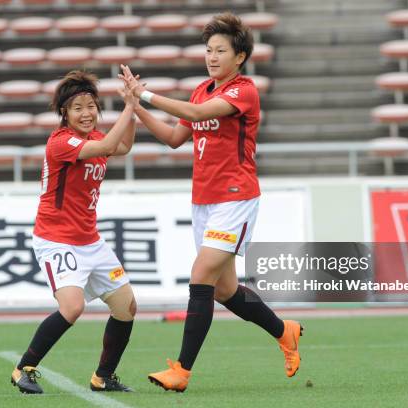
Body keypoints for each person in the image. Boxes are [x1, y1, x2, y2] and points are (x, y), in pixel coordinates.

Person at [119, 12, 302, 392]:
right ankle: (284, 331)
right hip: (203, 201)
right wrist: (136, 108)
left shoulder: (243, 91)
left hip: (236, 199)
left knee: (200, 278)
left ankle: (181, 371)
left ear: (240, 57)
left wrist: (147, 94)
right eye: (208, 50)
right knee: (224, 291)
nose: (212, 56)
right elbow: (174, 137)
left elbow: (199, 115)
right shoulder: (201, 89)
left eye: (221, 50)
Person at [9, 70, 138, 394]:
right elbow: (112, 142)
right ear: (64, 113)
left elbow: (122, 145)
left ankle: (103, 376)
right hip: (56, 239)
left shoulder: (95, 138)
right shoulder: (61, 142)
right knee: (72, 307)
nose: (86, 113)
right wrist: (130, 105)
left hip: (89, 240)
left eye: (91, 106)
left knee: (127, 307)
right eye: (78, 107)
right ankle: (23, 368)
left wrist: (131, 110)